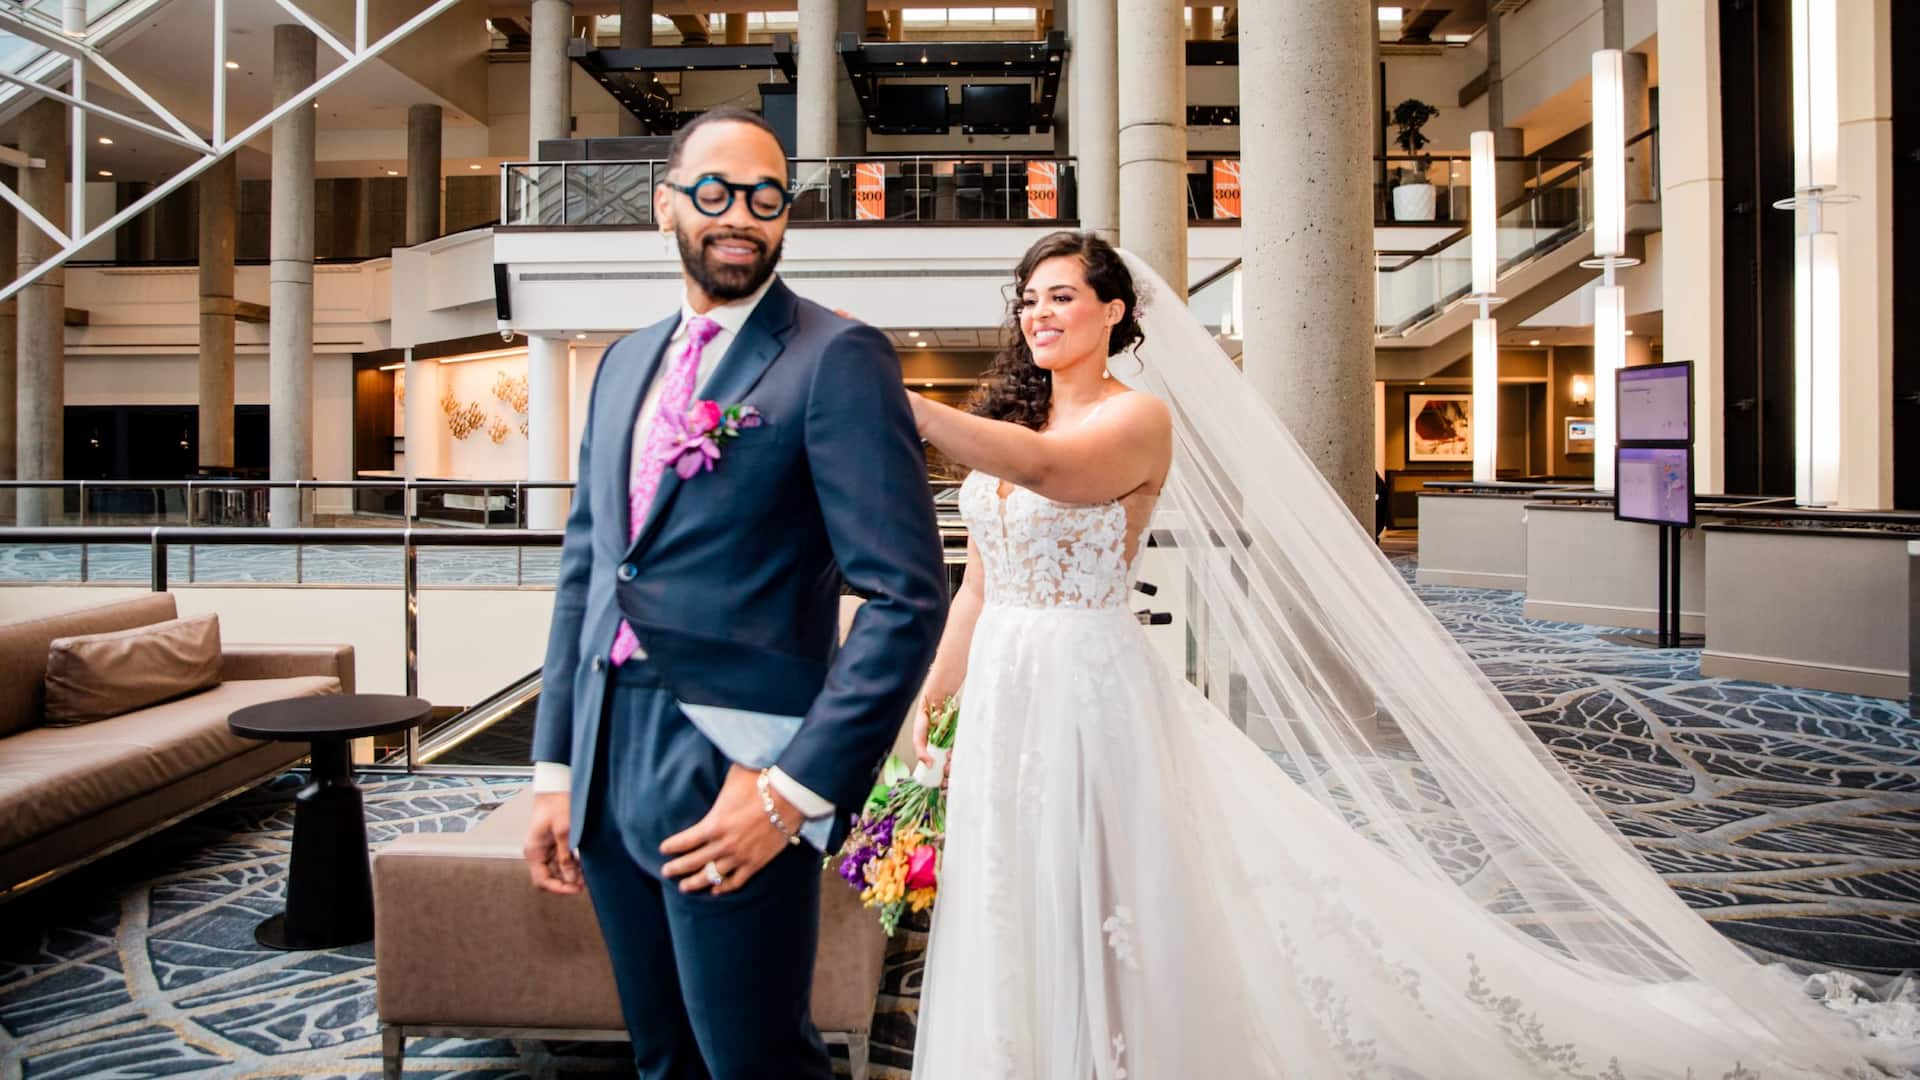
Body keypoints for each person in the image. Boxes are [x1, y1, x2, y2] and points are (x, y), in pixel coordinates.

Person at [906, 230, 1903, 1078]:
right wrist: (935, 704)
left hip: (1088, 680)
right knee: (1015, 873)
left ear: (1116, 310)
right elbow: (982, 584)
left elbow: (1054, 476)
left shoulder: (1137, 417)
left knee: (1108, 881)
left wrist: (898, 400)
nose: (1041, 316)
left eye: (1063, 297)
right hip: (1008, 678)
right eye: (1030, 300)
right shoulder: (1007, 418)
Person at [521, 107, 947, 1080]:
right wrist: (556, 772)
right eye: (714, 192)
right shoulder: (624, 362)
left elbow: (905, 597)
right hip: (606, 749)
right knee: (661, 1056)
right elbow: (589, 567)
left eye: (765, 196)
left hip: (733, 762)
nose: (740, 215)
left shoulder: (836, 357)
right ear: (666, 204)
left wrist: (791, 787)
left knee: (752, 1059)